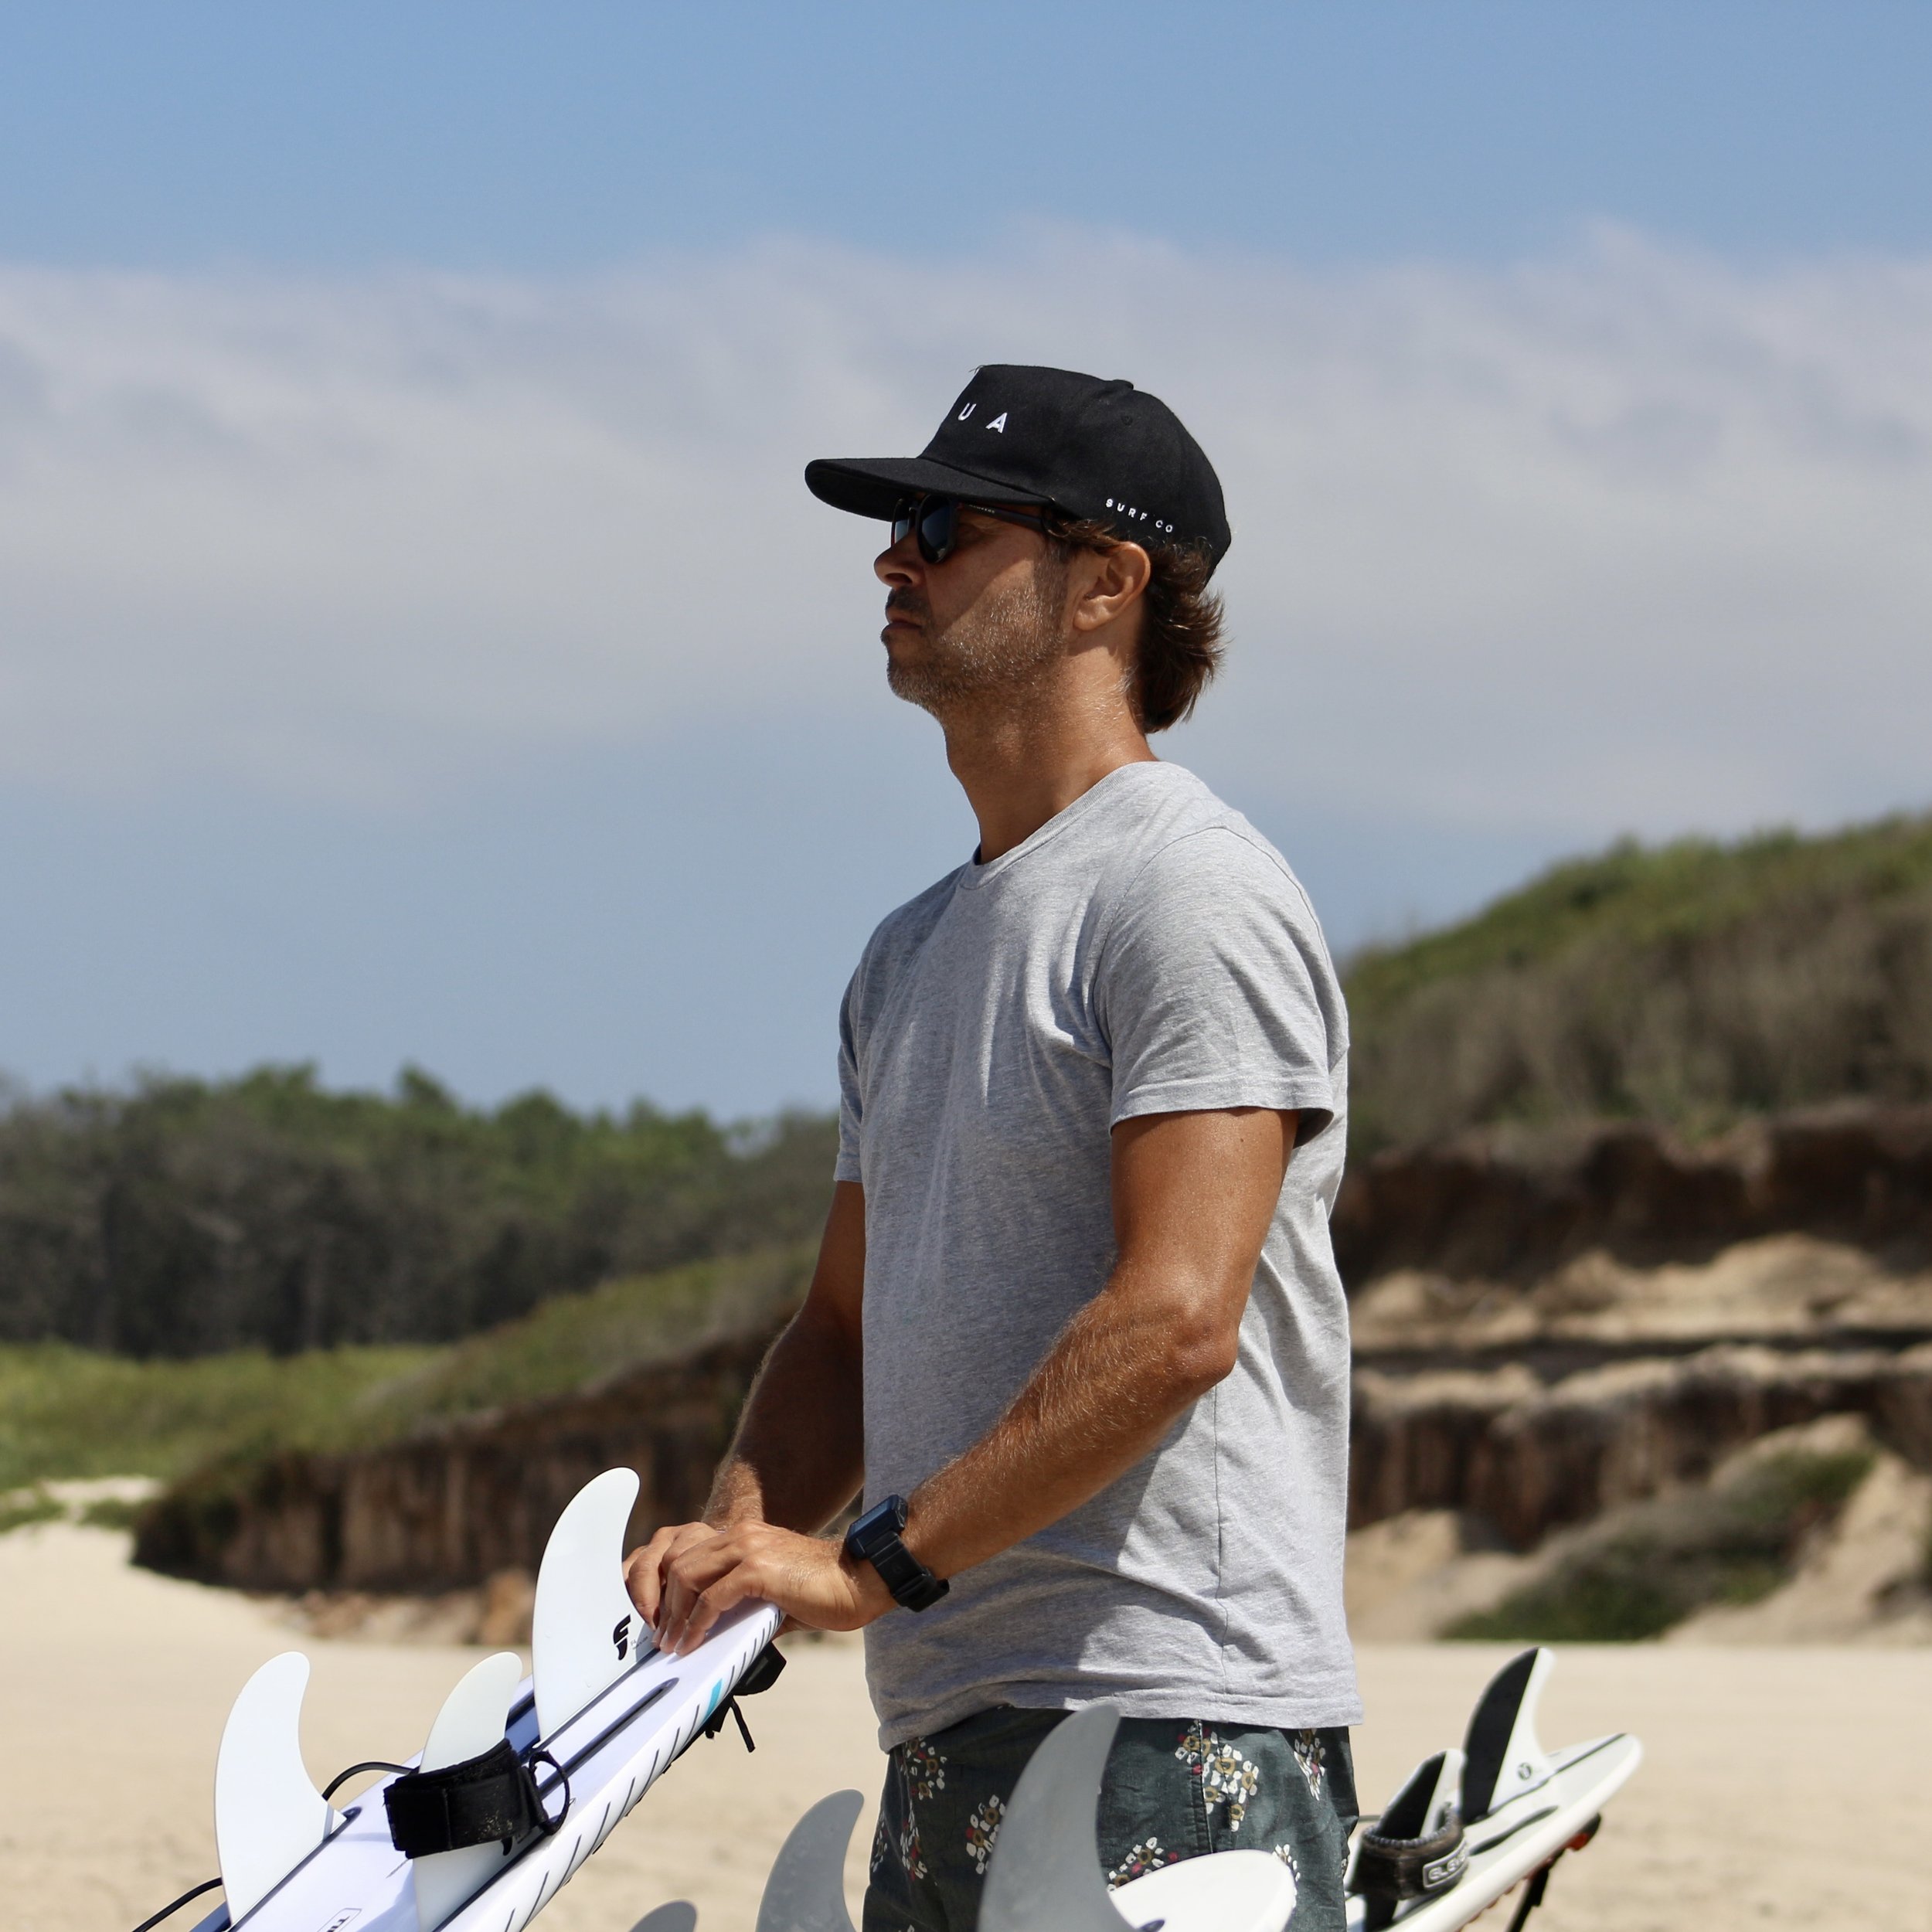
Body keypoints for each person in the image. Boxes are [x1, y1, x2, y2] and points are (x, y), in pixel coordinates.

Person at [625, 365, 1361, 1930]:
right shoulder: (904, 956)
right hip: (948, 1722)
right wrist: (739, 1542)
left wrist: (864, 1568)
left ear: (1106, 582)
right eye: (898, 528)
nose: (895, 559)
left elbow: (1173, 1322)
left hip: (1170, 1720)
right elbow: (837, 1329)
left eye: (945, 525)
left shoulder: (1188, 893)